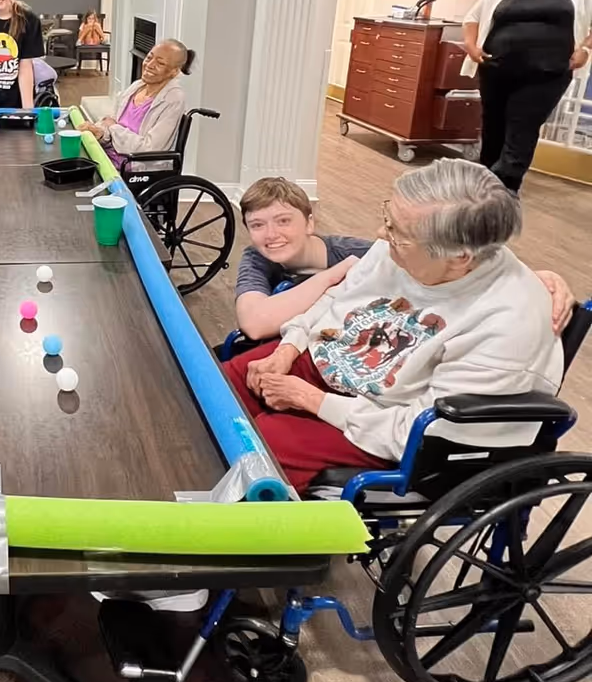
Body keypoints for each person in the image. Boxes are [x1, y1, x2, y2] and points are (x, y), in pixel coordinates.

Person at [221, 160, 563, 494]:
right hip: (334, 362)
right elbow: (335, 298)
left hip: (388, 418)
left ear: (460, 257)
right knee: (222, 387)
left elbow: (418, 431)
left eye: (397, 233)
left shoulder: (507, 324)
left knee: (256, 447)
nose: (381, 235)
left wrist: (309, 399)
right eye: (389, 219)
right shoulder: (401, 250)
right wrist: (288, 348)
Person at [232, 174, 574, 341]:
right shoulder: (258, 258)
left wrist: (531, 275)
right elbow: (255, 323)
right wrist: (336, 275)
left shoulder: (358, 251)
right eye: (257, 225)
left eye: (283, 221)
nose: (271, 235)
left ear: (310, 221)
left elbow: (445, 248)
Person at [463, 0, 592, 192]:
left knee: (522, 126)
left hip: (546, 74)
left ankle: (505, 188)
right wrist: (471, 46)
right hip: (496, 68)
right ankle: (483, 182)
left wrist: (585, 50)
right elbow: (472, 17)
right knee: (493, 125)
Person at [76, 39, 191, 166]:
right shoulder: (136, 86)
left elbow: (150, 150)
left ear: (174, 71)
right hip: (106, 158)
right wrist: (100, 132)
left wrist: (113, 128)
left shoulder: (173, 99)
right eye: (149, 58)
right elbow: (111, 121)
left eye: (160, 63)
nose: (150, 65)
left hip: (131, 171)